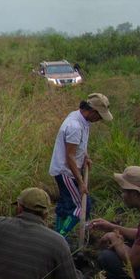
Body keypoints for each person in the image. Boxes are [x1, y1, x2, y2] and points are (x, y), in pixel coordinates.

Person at [49, 92, 112, 236]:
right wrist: (81, 182)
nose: (99, 119)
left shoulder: (81, 118)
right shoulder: (75, 126)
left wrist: (85, 155)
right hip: (66, 172)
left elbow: (78, 145)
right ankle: (61, 235)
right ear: (91, 111)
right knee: (83, 206)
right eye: (99, 116)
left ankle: (58, 233)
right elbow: (70, 156)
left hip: (69, 169)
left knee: (65, 204)